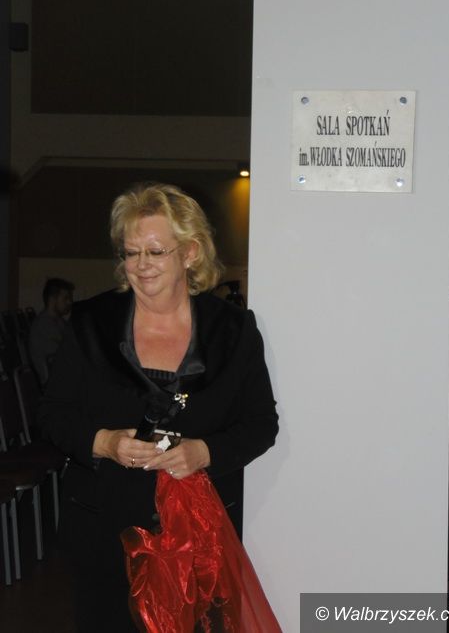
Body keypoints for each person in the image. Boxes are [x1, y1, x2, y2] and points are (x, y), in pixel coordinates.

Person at [37, 183, 279, 632]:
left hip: (200, 539)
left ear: (190, 253)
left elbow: (261, 423)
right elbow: (52, 414)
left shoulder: (234, 330)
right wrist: (104, 442)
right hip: (105, 529)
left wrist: (204, 452)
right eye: (131, 253)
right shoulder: (90, 323)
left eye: (155, 251)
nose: (141, 265)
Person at [28, 277, 74, 386]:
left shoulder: (59, 321)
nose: (70, 302)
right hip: (52, 384)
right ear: (53, 299)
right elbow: (70, 351)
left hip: (62, 377)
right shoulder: (44, 324)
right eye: (66, 298)